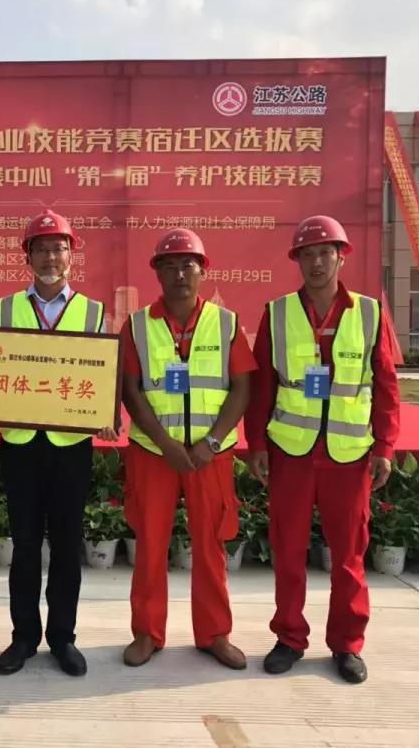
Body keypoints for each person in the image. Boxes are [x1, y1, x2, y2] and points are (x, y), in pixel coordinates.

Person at [245, 215, 400, 684]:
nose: (316, 262)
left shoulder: (369, 313)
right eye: (308, 254)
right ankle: (289, 638)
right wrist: (257, 443)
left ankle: (347, 643)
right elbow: (263, 385)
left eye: (325, 253)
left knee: (349, 556)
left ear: (341, 256)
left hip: (348, 456)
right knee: (288, 551)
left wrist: (385, 445)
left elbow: (387, 384)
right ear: (297, 260)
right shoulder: (277, 314)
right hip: (291, 452)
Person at [0, 209, 118, 677]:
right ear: (28, 256)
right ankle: (23, 637)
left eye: (59, 248)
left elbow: (103, 373)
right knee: (25, 544)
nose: (51, 257)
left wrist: (107, 414)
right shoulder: (6, 308)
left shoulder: (93, 312)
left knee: (68, 543)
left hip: (71, 443)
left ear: (71, 255)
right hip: (20, 443)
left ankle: (63, 637)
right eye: (42, 248)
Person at [119, 228, 252, 670]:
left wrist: (211, 443)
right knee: (150, 544)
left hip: (209, 456)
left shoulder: (226, 323)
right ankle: (146, 632)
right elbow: (131, 391)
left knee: (211, 545)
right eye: (170, 265)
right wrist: (166, 444)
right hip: (153, 455)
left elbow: (242, 387)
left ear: (203, 270)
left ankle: (214, 634)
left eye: (188, 265)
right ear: (157, 272)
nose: (179, 273)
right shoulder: (137, 325)